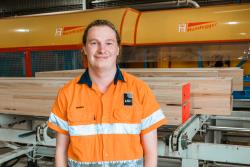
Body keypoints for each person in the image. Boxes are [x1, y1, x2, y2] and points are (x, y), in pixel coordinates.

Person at [48, 19, 166, 167]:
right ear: (84, 48)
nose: (102, 49)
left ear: (117, 49)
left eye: (109, 43)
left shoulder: (140, 90)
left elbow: (151, 152)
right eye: (94, 43)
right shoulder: (67, 93)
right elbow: (61, 150)